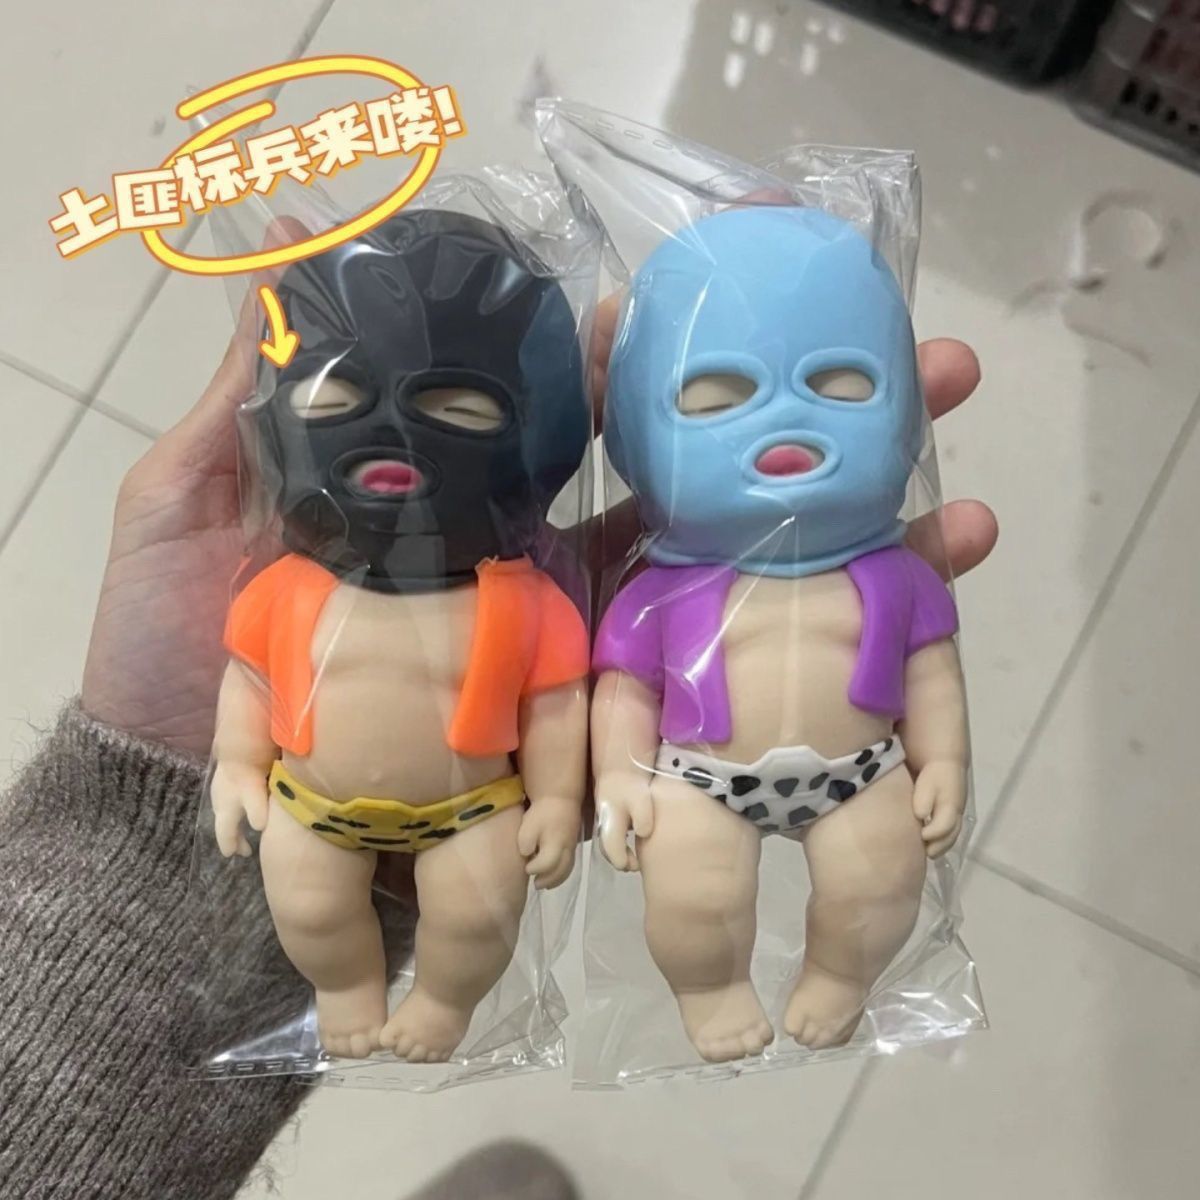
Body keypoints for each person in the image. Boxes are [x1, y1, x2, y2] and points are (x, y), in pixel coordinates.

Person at [0, 266, 996, 1197]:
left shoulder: (548, 598)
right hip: (333, 803)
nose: (782, 421)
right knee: (332, 908)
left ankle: (817, 975)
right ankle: (408, 990)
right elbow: (253, 685)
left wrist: (565, 796)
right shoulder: (295, 588)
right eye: (716, 395)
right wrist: (229, 767)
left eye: (838, 385)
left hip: (542, 801)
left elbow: (568, 703)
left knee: (858, 885)